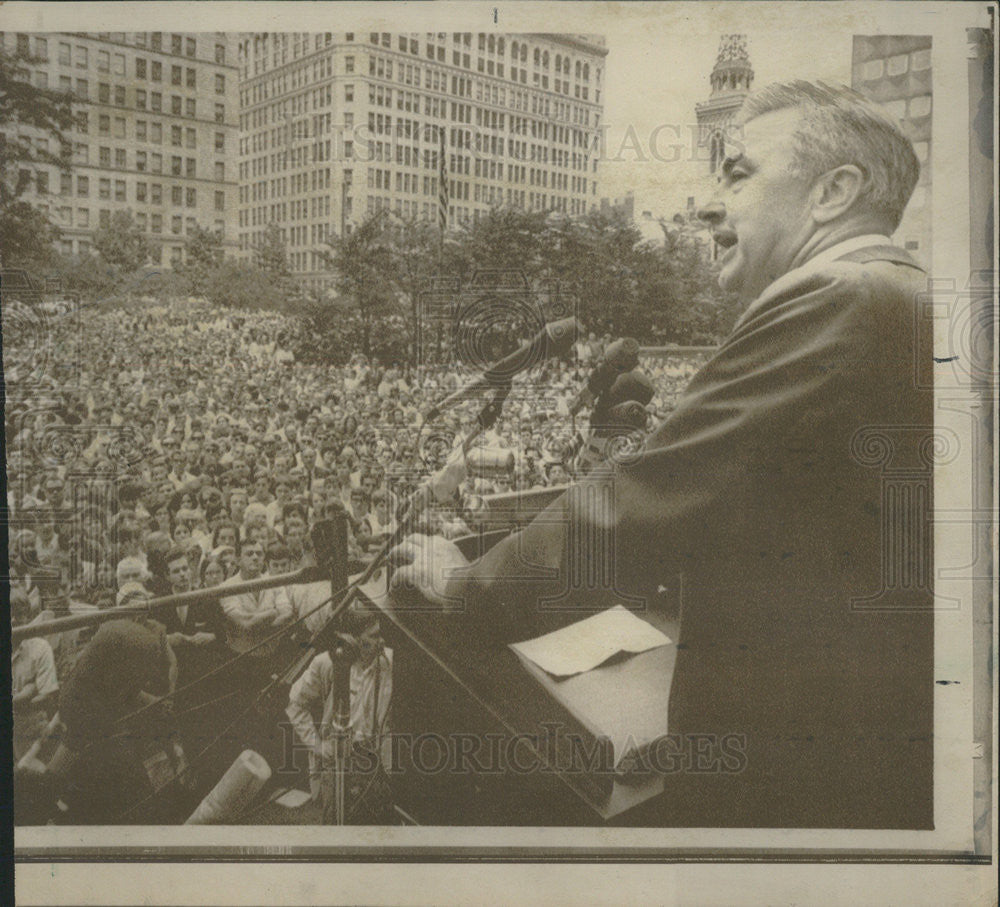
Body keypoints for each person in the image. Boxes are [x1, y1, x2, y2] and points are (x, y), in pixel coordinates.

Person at [391, 81, 934, 829]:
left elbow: (639, 506)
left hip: (793, 785)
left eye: (737, 173)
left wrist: (465, 587)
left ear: (834, 192)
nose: (710, 204)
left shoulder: (840, 298)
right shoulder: (904, 295)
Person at [285, 606, 393, 821]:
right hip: (336, 762)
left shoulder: (390, 663)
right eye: (373, 636)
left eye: (380, 634)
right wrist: (317, 745)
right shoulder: (326, 663)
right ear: (351, 639)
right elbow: (295, 704)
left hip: (375, 764)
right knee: (336, 821)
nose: (380, 641)